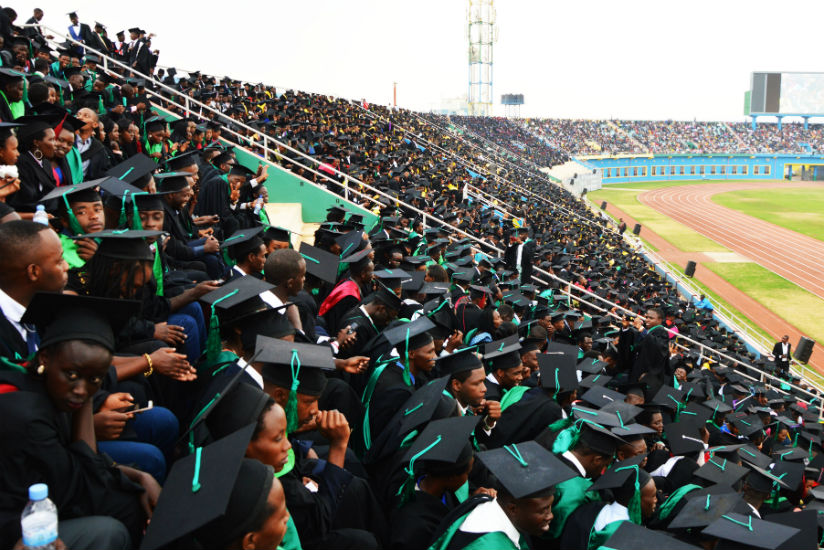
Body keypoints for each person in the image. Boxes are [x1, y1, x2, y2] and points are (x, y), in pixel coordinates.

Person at [0, 293, 159, 549]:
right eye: (72, 374)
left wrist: (139, 476)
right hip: (13, 526)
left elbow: (81, 466)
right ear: (44, 358)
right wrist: (137, 478)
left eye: (95, 379)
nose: (80, 389)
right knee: (119, 517)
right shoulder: (27, 415)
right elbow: (85, 487)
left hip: (37, 495)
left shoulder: (48, 386)